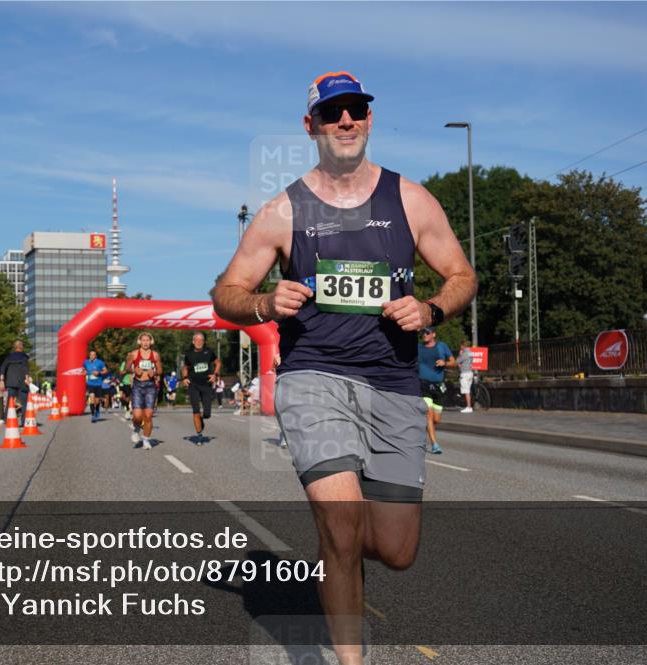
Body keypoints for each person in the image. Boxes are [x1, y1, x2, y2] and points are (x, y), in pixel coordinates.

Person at [211, 70, 476, 664]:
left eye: (356, 110)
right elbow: (225, 291)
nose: (346, 121)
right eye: (333, 114)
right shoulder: (284, 211)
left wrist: (430, 307)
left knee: (395, 547)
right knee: (341, 523)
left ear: (370, 118)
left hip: (393, 384)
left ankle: (346, 562)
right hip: (314, 377)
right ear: (312, 127)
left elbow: (463, 276)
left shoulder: (410, 199)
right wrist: (261, 302)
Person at [418, 328, 456, 454]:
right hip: (423, 385)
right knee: (428, 414)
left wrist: (444, 362)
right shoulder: (419, 347)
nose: (424, 335)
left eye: (427, 333)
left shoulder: (441, 346)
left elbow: (453, 362)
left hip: (438, 386)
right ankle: (435, 444)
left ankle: (425, 428)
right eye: (423, 333)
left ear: (433, 334)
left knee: (436, 419)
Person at [124, 333, 162, 450]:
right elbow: (127, 368)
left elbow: (160, 370)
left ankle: (146, 439)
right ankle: (136, 429)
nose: (145, 343)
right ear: (139, 341)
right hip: (137, 386)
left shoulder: (155, 355)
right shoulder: (134, 354)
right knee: (137, 416)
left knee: (148, 415)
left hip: (150, 386)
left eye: (147, 340)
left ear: (151, 342)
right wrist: (134, 370)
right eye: (143, 340)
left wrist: (154, 373)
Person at [182, 332, 221, 445]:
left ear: (203, 342)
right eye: (197, 340)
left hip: (206, 384)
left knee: (207, 413)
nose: (199, 342)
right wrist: (185, 378)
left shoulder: (208, 352)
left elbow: (218, 363)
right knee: (196, 411)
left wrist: (215, 374)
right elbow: (185, 367)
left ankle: (202, 419)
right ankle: (199, 435)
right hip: (193, 385)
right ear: (193, 342)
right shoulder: (189, 354)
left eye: (201, 340)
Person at [0, 340, 30, 427]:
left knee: (10, 402)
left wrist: (1, 380)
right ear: (21, 347)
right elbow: (25, 368)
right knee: (24, 403)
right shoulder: (24, 357)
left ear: (14, 347)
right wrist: (27, 379)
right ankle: (23, 422)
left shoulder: (9, 357)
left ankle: (7, 420)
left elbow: (3, 368)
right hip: (22, 383)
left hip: (11, 382)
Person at [83, 349, 109, 423]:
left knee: (97, 401)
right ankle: (93, 415)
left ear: (96, 356)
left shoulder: (100, 362)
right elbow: (83, 370)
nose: (92, 356)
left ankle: (97, 409)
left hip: (98, 384)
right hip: (90, 383)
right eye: (90, 354)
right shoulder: (86, 362)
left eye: (93, 355)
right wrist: (84, 372)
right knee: (91, 398)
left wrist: (99, 373)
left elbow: (105, 370)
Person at [456, 340, 475, 413]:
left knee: (466, 390)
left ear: (463, 346)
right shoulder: (471, 352)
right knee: (468, 390)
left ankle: (469, 407)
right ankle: (469, 406)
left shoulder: (464, 353)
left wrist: (460, 354)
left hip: (464, 373)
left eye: (461, 346)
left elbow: (457, 361)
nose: (460, 347)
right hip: (470, 373)